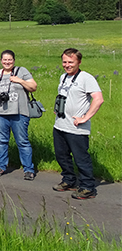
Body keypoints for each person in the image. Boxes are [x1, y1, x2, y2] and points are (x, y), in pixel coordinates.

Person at [52, 48, 103, 200]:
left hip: (76, 128)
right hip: (60, 125)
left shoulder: (86, 78)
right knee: (62, 156)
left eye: (71, 62)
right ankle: (69, 180)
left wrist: (85, 118)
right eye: (64, 62)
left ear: (79, 62)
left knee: (81, 158)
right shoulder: (63, 77)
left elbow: (98, 99)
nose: (67, 65)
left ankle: (87, 187)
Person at [0, 50, 37, 180]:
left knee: (22, 141)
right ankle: (1, 166)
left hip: (19, 112)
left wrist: (20, 81)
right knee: (1, 141)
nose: (7, 62)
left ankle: (28, 169)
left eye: (10, 60)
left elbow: (33, 87)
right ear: (1, 61)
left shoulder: (21, 71)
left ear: (14, 60)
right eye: (5, 60)